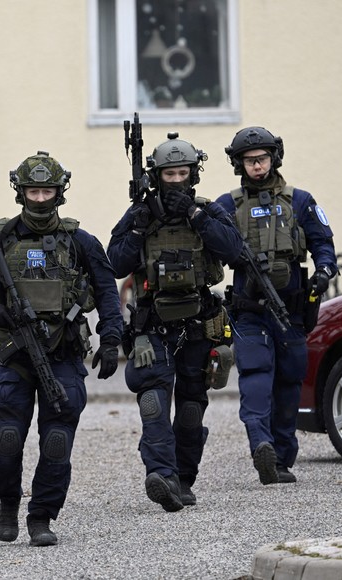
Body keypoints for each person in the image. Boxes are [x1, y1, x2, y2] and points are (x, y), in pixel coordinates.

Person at [0, 151, 122, 546]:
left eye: (47, 190)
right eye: (33, 190)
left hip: (62, 353)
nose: (40, 198)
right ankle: (9, 501)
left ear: (59, 192)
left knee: (57, 440)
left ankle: (42, 516)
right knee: (7, 436)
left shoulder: (81, 241)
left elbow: (107, 292)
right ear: (21, 192)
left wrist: (112, 338)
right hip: (13, 354)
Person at [107, 133, 242, 510]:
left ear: (193, 173)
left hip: (198, 324)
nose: (177, 181)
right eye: (170, 174)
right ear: (156, 175)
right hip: (153, 327)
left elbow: (234, 251)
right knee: (152, 403)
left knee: (189, 410)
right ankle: (161, 475)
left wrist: (196, 217)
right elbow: (114, 263)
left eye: (183, 172)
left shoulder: (207, 210)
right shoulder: (140, 215)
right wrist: (137, 228)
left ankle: (184, 478)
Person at [215, 126, 337, 485]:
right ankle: (261, 444)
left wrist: (324, 271)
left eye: (263, 158)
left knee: (289, 382)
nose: (257, 166)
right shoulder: (227, 205)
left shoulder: (300, 200)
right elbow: (210, 250)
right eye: (250, 161)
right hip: (250, 310)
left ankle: (282, 459)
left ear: (274, 158)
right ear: (240, 164)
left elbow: (323, 243)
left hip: (292, 309)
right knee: (255, 376)